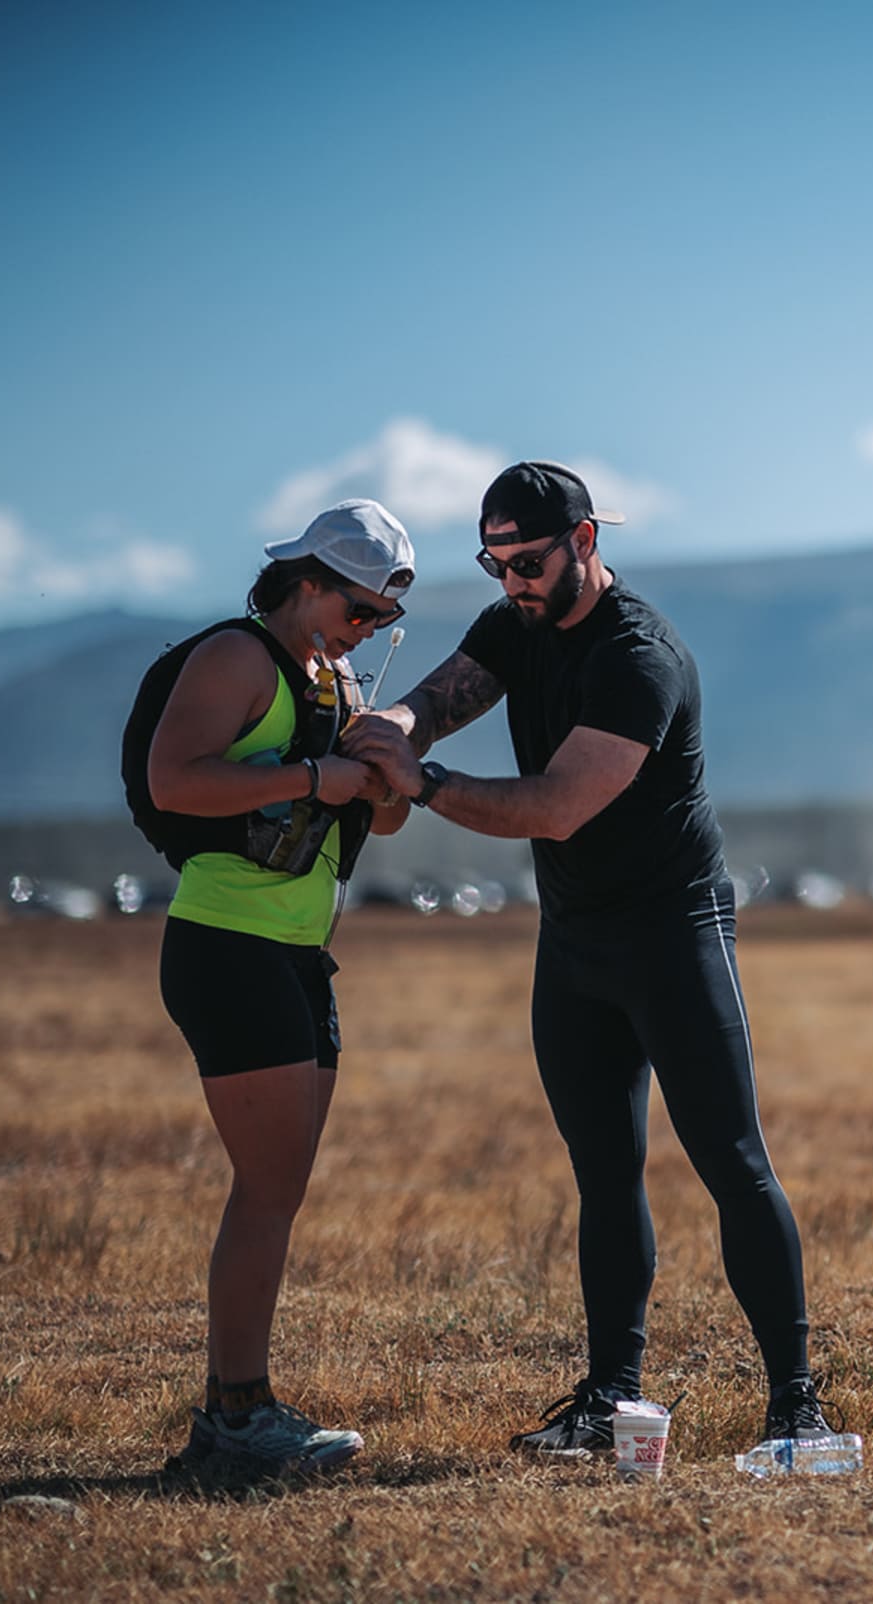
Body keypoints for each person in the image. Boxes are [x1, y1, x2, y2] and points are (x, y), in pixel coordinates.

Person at [342, 461, 832, 1457]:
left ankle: (797, 1406)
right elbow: (439, 697)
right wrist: (384, 729)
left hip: (670, 933)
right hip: (574, 943)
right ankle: (612, 1399)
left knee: (733, 1165)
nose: (513, 579)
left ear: (587, 540)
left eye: (529, 559)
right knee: (603, 1173)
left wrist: (422, 783)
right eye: (496, 561)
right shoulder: (514, 622)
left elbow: (557, 805)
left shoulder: (638, 657)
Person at [141, 499, 416, 1473]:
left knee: (279, 1187)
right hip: (228, 942)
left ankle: (237, 1412)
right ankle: (235, 1418)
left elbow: (375, 828)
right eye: (358, 609)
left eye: (384, 620)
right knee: (266, 1188)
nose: (368, 631)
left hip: (300, 950)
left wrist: (383, 780)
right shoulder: (238, 658)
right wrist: (310, 778)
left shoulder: (331, 676)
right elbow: (174, 779)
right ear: (305, 583)